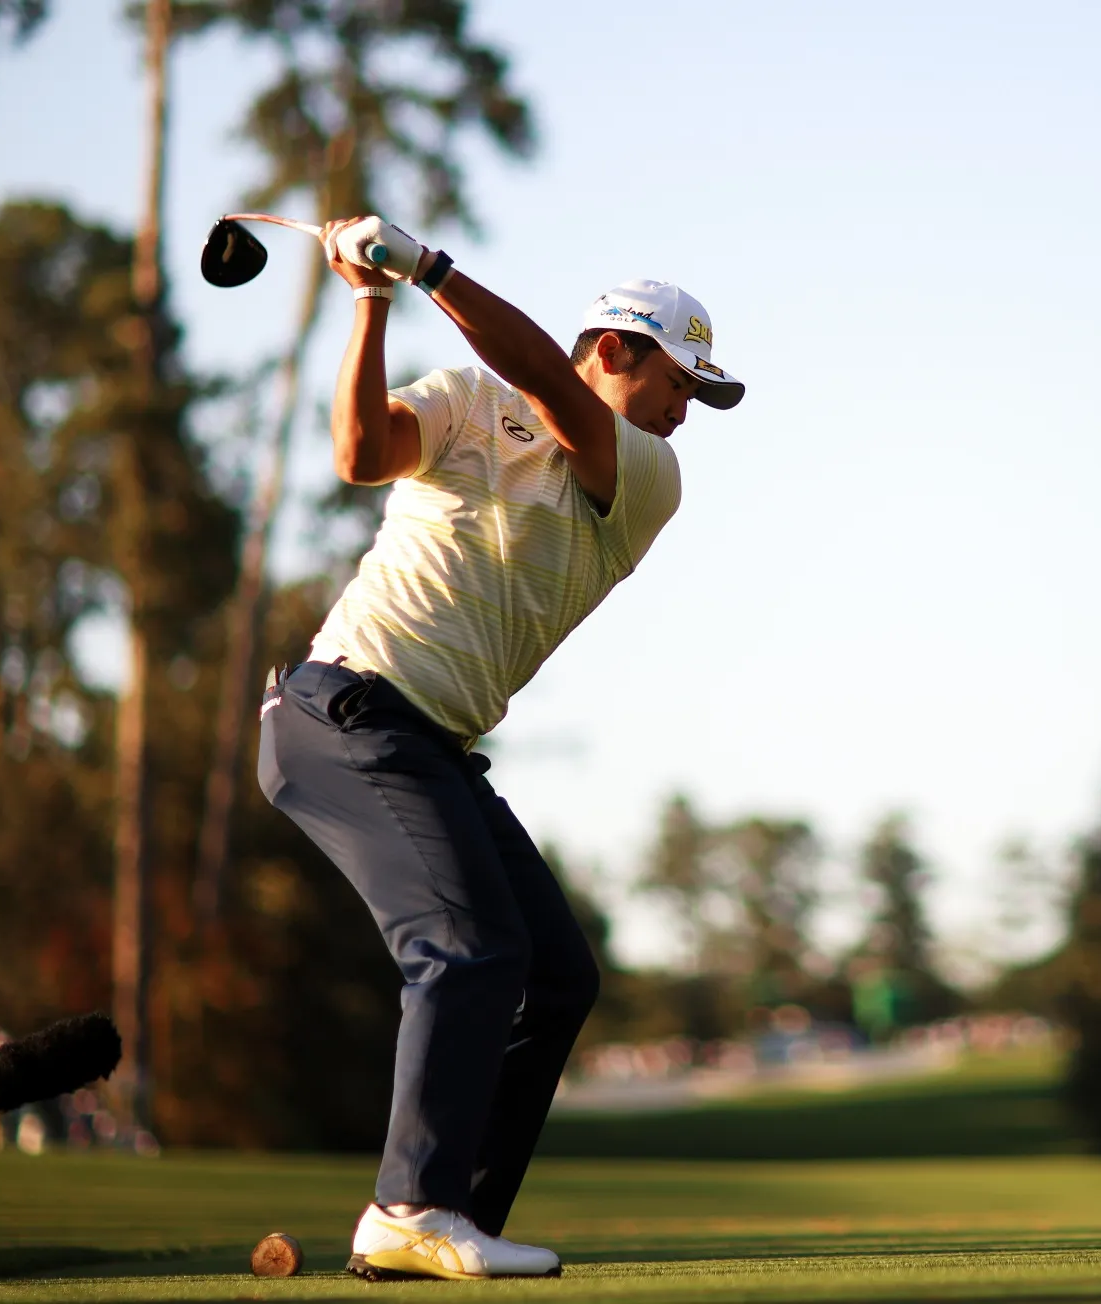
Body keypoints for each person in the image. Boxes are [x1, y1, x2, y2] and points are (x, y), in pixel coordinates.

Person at [258, 222, 743, 1281]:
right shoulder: (466, 399)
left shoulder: (646, 475)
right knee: (468, 948)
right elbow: (358, 454)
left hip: (428, 742)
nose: (683, 411)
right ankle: (411, 1204)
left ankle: (448, 1214)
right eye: (677, 381)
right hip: (342, 714)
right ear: (614, 348)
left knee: (554, 975)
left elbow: (548, 388)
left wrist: (428, 268)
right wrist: (372, 303)